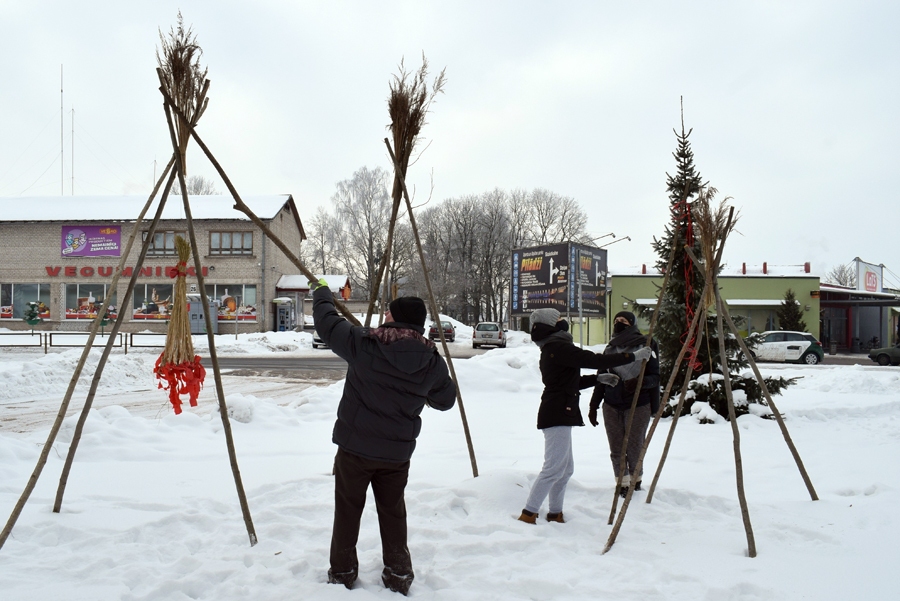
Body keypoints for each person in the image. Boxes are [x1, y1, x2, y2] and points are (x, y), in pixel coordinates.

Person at [312, 279, 457, 595]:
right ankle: (398, 573)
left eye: (389, 313)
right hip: (396, 456)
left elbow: (327, 324)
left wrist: (322, 293)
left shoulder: (365, 344)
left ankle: (343, 572)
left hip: (355, 450)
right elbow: (446, 400)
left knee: (348, 510)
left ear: (395, 317)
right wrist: (422, 392)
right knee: (393, 512)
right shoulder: (431, 360)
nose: (385, 316)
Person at [518, 308, 650, 525]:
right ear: (550, 325)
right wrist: (633, 356)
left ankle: (555, 513)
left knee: (565, 470)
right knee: (553, 468)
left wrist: (598, 380)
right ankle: (528, 514)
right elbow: (593, 360)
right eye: (559, 319)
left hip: (561, 411)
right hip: (556, 413)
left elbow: (569, 382)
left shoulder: (554, 347)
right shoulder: (557, 347)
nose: (563, 322)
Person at [588, 311, 660, 497]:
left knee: (635, 446)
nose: (618, 323)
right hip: (611, 405)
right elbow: (602, 378)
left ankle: (636, 480)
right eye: (616, 320)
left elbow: (655, 377)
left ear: (632, 324)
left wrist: (640, 383)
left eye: (623, 321)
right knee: (616, 448)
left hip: (638, 404)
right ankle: (622, 482)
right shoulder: (610, 348)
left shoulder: (646, 344)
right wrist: (593, 406)